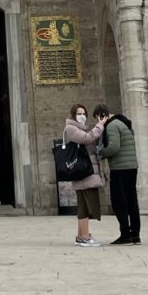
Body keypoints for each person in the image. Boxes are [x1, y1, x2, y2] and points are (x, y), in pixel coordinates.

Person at [96, 104, 140, 245]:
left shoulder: (112, 125)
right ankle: (135, 235)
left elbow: (114, 147)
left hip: (120, 168)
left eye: (98, 118)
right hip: (131, 166)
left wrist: (102, 152)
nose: (99, 122)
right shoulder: (123, 123)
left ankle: (125, 235)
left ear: (103, 115)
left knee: (119, 202)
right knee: (132, 201)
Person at [63, 102, 105, 247]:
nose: (82, 116)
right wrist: (99, 126)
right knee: (85, 206)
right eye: (79, 114)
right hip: (83, 172)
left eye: (84, 114)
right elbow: (86, 138)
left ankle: (81, 236)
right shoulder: (71, 128)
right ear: (73, 115)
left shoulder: (83, 128)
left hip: (86, 173)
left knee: (83, 205)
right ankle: (85, 237)